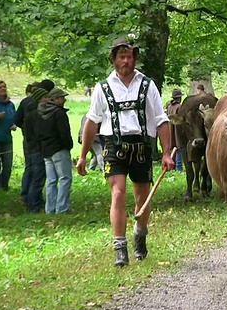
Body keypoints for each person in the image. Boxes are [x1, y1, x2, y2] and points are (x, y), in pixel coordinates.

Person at [76, 37, 173, 267]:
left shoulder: (148, 86)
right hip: (113, 145)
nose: (126, 60)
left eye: (129, 55)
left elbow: (161, 120)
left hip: (141, 145)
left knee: (142, 196)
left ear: (134, 58)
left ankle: (140, 234)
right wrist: (81, 156)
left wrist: (166, 152)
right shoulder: (102, 88)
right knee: (117, 193)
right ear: (113, 60)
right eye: (121, 56)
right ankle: (120, 247)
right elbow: (92, 121)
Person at [14, 79, 55, 205]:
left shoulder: (25, 101)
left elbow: (16, 119)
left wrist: (25, 128)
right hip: (39, 140)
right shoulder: (41, 104)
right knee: (38, 171)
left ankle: (25, 196)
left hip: (27, 139)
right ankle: (34, 200)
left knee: (29, 167)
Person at [36, 88, 73, 214]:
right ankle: (62, 208)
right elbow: (64, 133)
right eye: (62, 97)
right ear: (55, 99)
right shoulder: (59, 113)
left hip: (46, 150)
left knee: (51, 180)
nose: (64, 100)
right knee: (65, 178)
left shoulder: (41, 113)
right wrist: (68, 146)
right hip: (59, 149)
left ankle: (49, 208)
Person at [20, 87, 50, 212]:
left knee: (34, 175)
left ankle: (32, 202)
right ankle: (34, 206)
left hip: (32, 147)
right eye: (45, 97)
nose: (48, 100)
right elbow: (36, 133)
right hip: (37, 148)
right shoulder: (37, 114)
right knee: (37, 177)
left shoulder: (30, 114)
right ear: (39, 99)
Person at [165, 88, 183, 172]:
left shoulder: (169, 106)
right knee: (178, 146)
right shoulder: (179, 107)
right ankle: (179, 167)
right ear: (179, 98)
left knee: (172, 146)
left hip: (169, 129)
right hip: (177, 129)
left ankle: (173, 166)